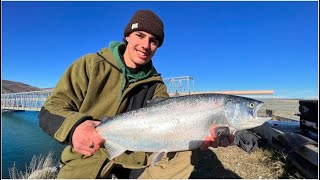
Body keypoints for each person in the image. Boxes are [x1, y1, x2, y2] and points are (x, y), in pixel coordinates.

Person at [39, 9, 234, 179]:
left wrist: (200, 135)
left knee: (186, 154)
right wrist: (76, 128)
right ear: (127, 36)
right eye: (140, 35)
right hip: (89, 154)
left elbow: (170, 127)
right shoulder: (90, 65)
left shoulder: (157, 86)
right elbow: (51, 108)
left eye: (153, 41)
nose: (145, 45)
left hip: (136, 157)